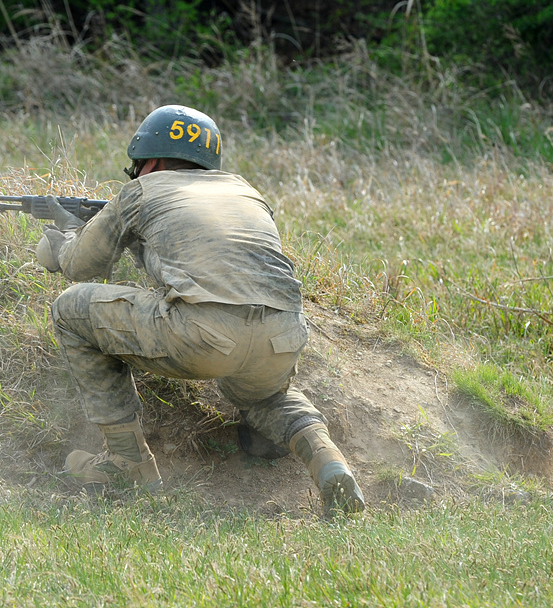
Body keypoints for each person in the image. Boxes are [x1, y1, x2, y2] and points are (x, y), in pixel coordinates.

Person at [34, 104, 365, 514]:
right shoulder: (246, 192)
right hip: (283, 335)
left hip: (203, 336)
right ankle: (330, 462)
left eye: (136, 167)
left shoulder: (140, 191)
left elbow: (79, 265)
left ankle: (128, 465)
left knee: (70, 309)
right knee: (266, 397)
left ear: (150, 161)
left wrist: (63, 236)